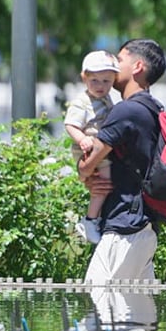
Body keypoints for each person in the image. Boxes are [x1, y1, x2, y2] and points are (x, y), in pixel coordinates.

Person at [77, 38, 166, 322]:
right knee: (136, 320)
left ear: (138, 66)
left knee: (99, 300)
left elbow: (88, 164)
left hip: (125, 229)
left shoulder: (125, 110)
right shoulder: (153, 108)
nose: (114, 65)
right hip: (144, 227)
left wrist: (84, 171)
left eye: (120, 59)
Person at [63, 50, 120, 243]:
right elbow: (70, 124)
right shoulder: (82, 102)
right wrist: (81, 139)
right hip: (89, 149)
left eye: (107, 81)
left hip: (101, 148)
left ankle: (96, 217)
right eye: (94, 80)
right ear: (84, 78)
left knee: (105, 184)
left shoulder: (105, 99)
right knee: (102, 185)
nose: (101, 86)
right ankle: (90, 220)